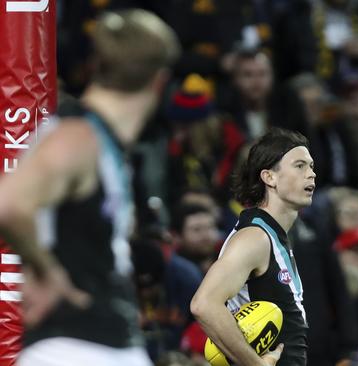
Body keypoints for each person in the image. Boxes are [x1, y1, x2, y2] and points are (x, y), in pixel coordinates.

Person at [0, 9, 180, 365]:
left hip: (101, 341)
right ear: (161, 80)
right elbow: (9, 204)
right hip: (77, 344)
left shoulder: (98, 137)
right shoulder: (77, 136)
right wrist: (47, 270)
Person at [191, 128, 316, 366]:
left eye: (311, 166)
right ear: (269, 177)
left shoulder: (272, 235)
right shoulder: (254, 237)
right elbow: (204, 304)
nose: (311, 174)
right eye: (299, 166)